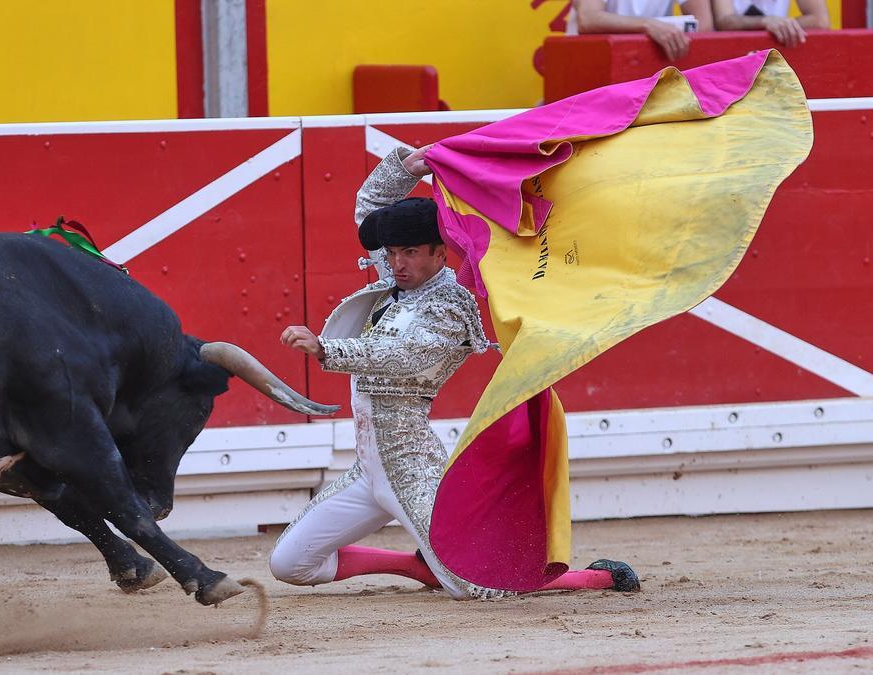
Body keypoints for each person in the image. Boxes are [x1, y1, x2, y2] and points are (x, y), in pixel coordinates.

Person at [268, 146, 640, 599]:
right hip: (368, 470)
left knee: (474, 585)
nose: (397, 263)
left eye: (409, 252)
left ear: (442, 254)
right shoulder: (402, 278)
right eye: (392, 253)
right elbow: (372, 210)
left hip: (411, 465)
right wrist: (408, 167)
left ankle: (600, 577)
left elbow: (407, 354)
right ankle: (416, 566)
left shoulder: (451, 303)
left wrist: (327, 348)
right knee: (290, 563)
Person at [569, 0, 714, 61]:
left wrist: (674, 37)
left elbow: (703, 24)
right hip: (593, 61)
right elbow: (588, 19)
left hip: (655, 59)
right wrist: (647, 25)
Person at [711, 0, 829, 47]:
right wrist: (764, 21)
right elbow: (723, 21)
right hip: (731, 53)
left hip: (777, 49)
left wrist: (782, 24)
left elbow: (820, 21)